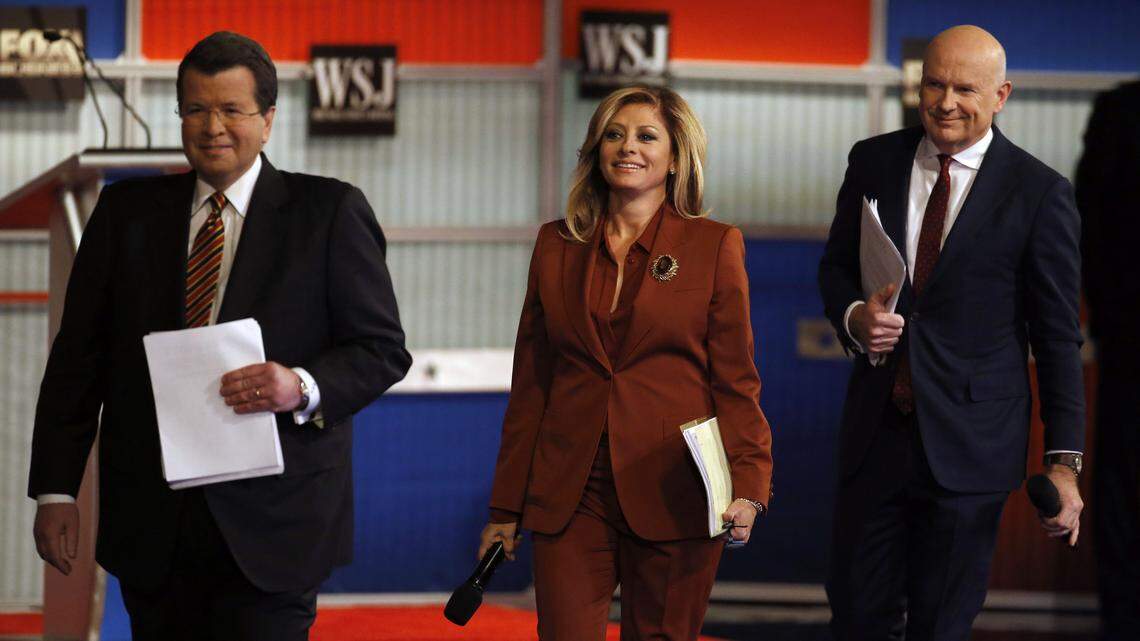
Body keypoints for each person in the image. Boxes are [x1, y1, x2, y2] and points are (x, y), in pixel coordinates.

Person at [28, 31, 411, 640]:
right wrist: (54, 489)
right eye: (196, 109)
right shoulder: (125, 214)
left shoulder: (329, 213)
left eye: (232, 109)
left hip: (277, 524)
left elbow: (383, 349)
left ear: (268, 121)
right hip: (154, 525)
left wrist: (302, 385)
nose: (213, 127)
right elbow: (79, 359)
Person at [476, 85, 773, 641]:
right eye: (614, 134)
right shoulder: (555, 245)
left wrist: (751, 483)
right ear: (595, 150)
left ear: (676, 156)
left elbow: (735, 379)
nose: (627, 147)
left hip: (675, 485)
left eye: (645, 135)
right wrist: (505, 506)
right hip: (571, 487)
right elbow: (533, 385)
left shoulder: (714, 245)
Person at [818, 25, 1085, 641]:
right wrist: (855, 316)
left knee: (940, 628)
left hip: (972, 450)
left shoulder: (1040, 193)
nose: (945, 102)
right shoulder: (873, 159)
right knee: (856, 618)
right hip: (875, 436)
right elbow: (835, 266)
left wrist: (1065, 461)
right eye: (933, 83)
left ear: (1001, 95)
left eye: (965, 88)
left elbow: (1056, 337)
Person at [1075, 79, 1140, 641]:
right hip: (1127, 338)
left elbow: (1088, 218)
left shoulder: (1120, 112)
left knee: (1123, 495)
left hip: (1126, 340)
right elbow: (1088, 219)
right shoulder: (1120, 112)